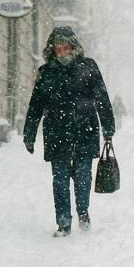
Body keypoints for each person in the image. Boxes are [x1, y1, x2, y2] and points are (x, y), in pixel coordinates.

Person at [23, 27, 116, 237]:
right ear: (53, 51)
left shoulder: (88, 67)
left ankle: (83, 212)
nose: (63, 52)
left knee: (83, 177)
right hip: (57, 133)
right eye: (58, 49)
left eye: (66, 48)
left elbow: (102, 98)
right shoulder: (46, 73)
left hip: (85, 130)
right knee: (60, 180)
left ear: (74, 48)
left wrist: (108, 128)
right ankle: (63, 222)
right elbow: (36, 104)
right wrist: (29, 133)